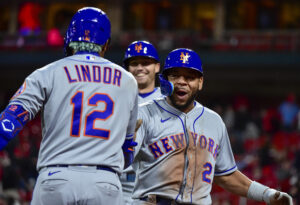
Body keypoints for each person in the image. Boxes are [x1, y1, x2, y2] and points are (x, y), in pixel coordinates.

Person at [0, 7, 138, 205]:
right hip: (105, 182)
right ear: (106, 43)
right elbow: (128, 149)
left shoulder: (47, 73)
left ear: (70, 37)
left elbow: (10, 121)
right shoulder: (128, 81)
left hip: (56, 178)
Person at [131, 48, 293, 205]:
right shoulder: (144, 114)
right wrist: (127, 144)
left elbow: (226, 176)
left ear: (200, 82)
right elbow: (121, 161)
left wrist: (267, 194)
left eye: (190, 77)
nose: (182, 82)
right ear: (164, 80)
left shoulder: (213, 121)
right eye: (175, 76)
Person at [121, 40, 162, 205]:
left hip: (153, 185)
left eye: (146, 63)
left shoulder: (170, 103)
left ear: (157, 67)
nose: (140, 68)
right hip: (117, 183)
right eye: (134, 63)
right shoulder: (115, 99)